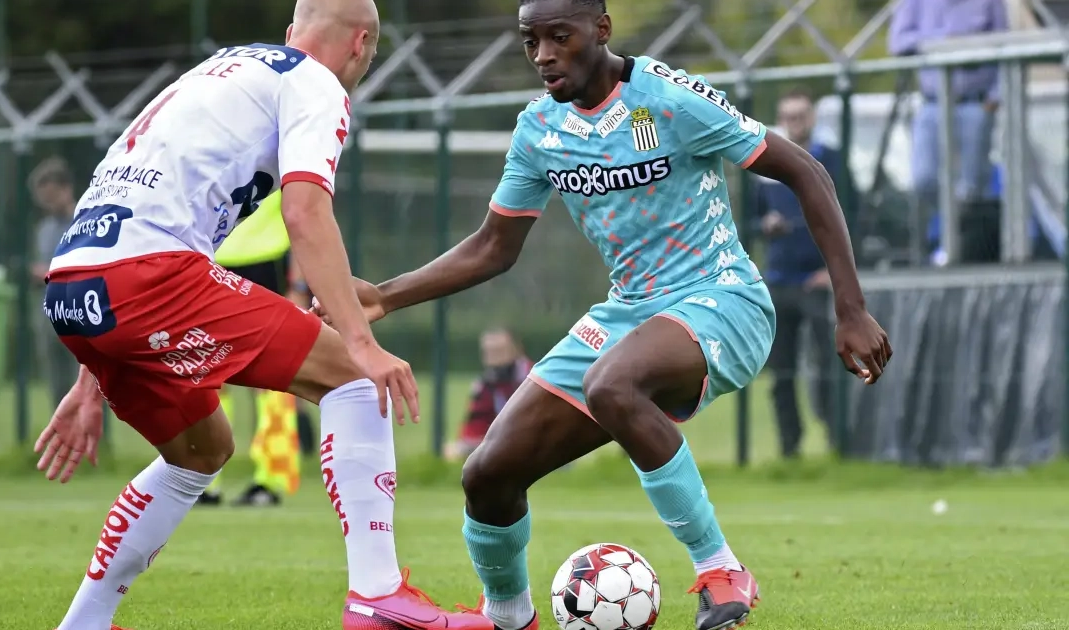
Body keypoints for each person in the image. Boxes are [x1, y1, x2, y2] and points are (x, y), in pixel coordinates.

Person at [313, 1, 892, 629]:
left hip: (723, 298)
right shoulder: (539, 129)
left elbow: (806, 171)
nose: (543, 56)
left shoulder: (668, 98)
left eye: (559, 37)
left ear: (602, 30)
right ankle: (507, 618)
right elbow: (492, 248)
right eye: (531, 41)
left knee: (612, 383)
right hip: (628, 312)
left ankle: (721, 569)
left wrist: (851, 307)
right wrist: (385, 297)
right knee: (488, 473)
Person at [34, 1, 490, 629]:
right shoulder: (315, 82)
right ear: (361, 45)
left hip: (74, 286)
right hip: (149, 276)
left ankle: (83, 624)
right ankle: (377, 596)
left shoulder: (218, 71)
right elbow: (304, 211)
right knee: (355, 379)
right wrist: (360, 342)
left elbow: (141, 206)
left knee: (201, 451)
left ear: (291, 33)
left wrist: (91, 378)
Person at [199, 189, 317, 506]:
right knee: (207, 376)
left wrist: (299, 284)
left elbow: (304, 210)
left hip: (267, 262)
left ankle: (271, 479)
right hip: (209, 262)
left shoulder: (279, 158)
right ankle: (203, 479)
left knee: (270, 378)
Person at [754, 88, 850, 458]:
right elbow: (747, 218)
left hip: (817, 280)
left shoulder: (831, 161)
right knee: (782, 372)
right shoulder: (766, 167)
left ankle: (837, 442)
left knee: (829, 366)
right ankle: (789, 449)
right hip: (779, 280)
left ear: (812, 118)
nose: (795, 123)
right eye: (788, 117)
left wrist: (831, 271)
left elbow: (851, 216)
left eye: (801, 115)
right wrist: (765, 224)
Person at [887, 0, 1008, 264]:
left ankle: (964, 251)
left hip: (975, 104)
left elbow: (1005, 45)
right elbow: (898, 42)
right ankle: (948, 238)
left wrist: (995, 97)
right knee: (923, 178)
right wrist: (943, 41)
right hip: (932, 103)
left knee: (972, 188)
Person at [29, 156, 82, 413]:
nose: (48, 204)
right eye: (43, 200)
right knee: (55, 383)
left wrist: (51, 272)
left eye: (51, 197)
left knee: (82, 380)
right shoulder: (44, 229)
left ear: (66, 189)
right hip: (49, 315)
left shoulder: (85, 220)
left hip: (80, 314)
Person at [447, 328, 533, 460]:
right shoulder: (484, 385)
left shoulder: (534, 377)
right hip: (500, 443)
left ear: (517, 350)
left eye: (500, 351)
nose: (494, 359)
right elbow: (473, 431)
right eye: (489, 353)